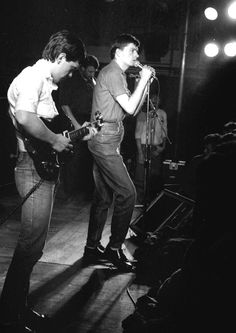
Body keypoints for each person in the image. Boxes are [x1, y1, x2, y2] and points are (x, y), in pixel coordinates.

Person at [0, 30, 95, 333]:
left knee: (34, 245)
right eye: (70, 68)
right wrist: (54, 140)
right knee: (30, 245)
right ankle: (9, 314)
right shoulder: (32, 77)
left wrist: (32, 139)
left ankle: (14, 309)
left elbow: (15, 113)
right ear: (61, 57)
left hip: (37, 165)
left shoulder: (44, 83)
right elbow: (26, 117)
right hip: (32, 169)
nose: (69, 75)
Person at [82, 33, 154, 272]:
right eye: (133, 50)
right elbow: (132, 108)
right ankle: (114, 250)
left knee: (103, 197)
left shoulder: (116, 73)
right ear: (119, 53)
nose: (137, 55)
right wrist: (143, 80)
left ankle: (92, 248)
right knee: (128, 194)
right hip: (104, 140)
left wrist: (144, 84)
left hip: (108, 137)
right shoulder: (113, 73)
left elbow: (132, 106)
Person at [58, 54, 100, 198]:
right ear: (81, 68)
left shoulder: (93, 81)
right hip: (74, 121)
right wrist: (76, 126)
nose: (92, 74)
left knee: (87, 157)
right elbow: (64, 105)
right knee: (73, 158)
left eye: (94, 71)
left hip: (88, 121)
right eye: (89, 71)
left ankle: (84, 191)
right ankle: (69, 192)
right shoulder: (70, 81)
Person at [134, 93, 168, 204]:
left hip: (156, 147)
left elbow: (164, 132)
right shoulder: (143, 114)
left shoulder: (162, 114)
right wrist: (140, 152)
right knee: (141, 174)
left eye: (157, 99)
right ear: (149, 101)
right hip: (144, 146)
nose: (154, 101)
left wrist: (162, 147)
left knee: (155, 174)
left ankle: (151, 198)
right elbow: (138, 135)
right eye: (152, 99)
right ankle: (140, 199)